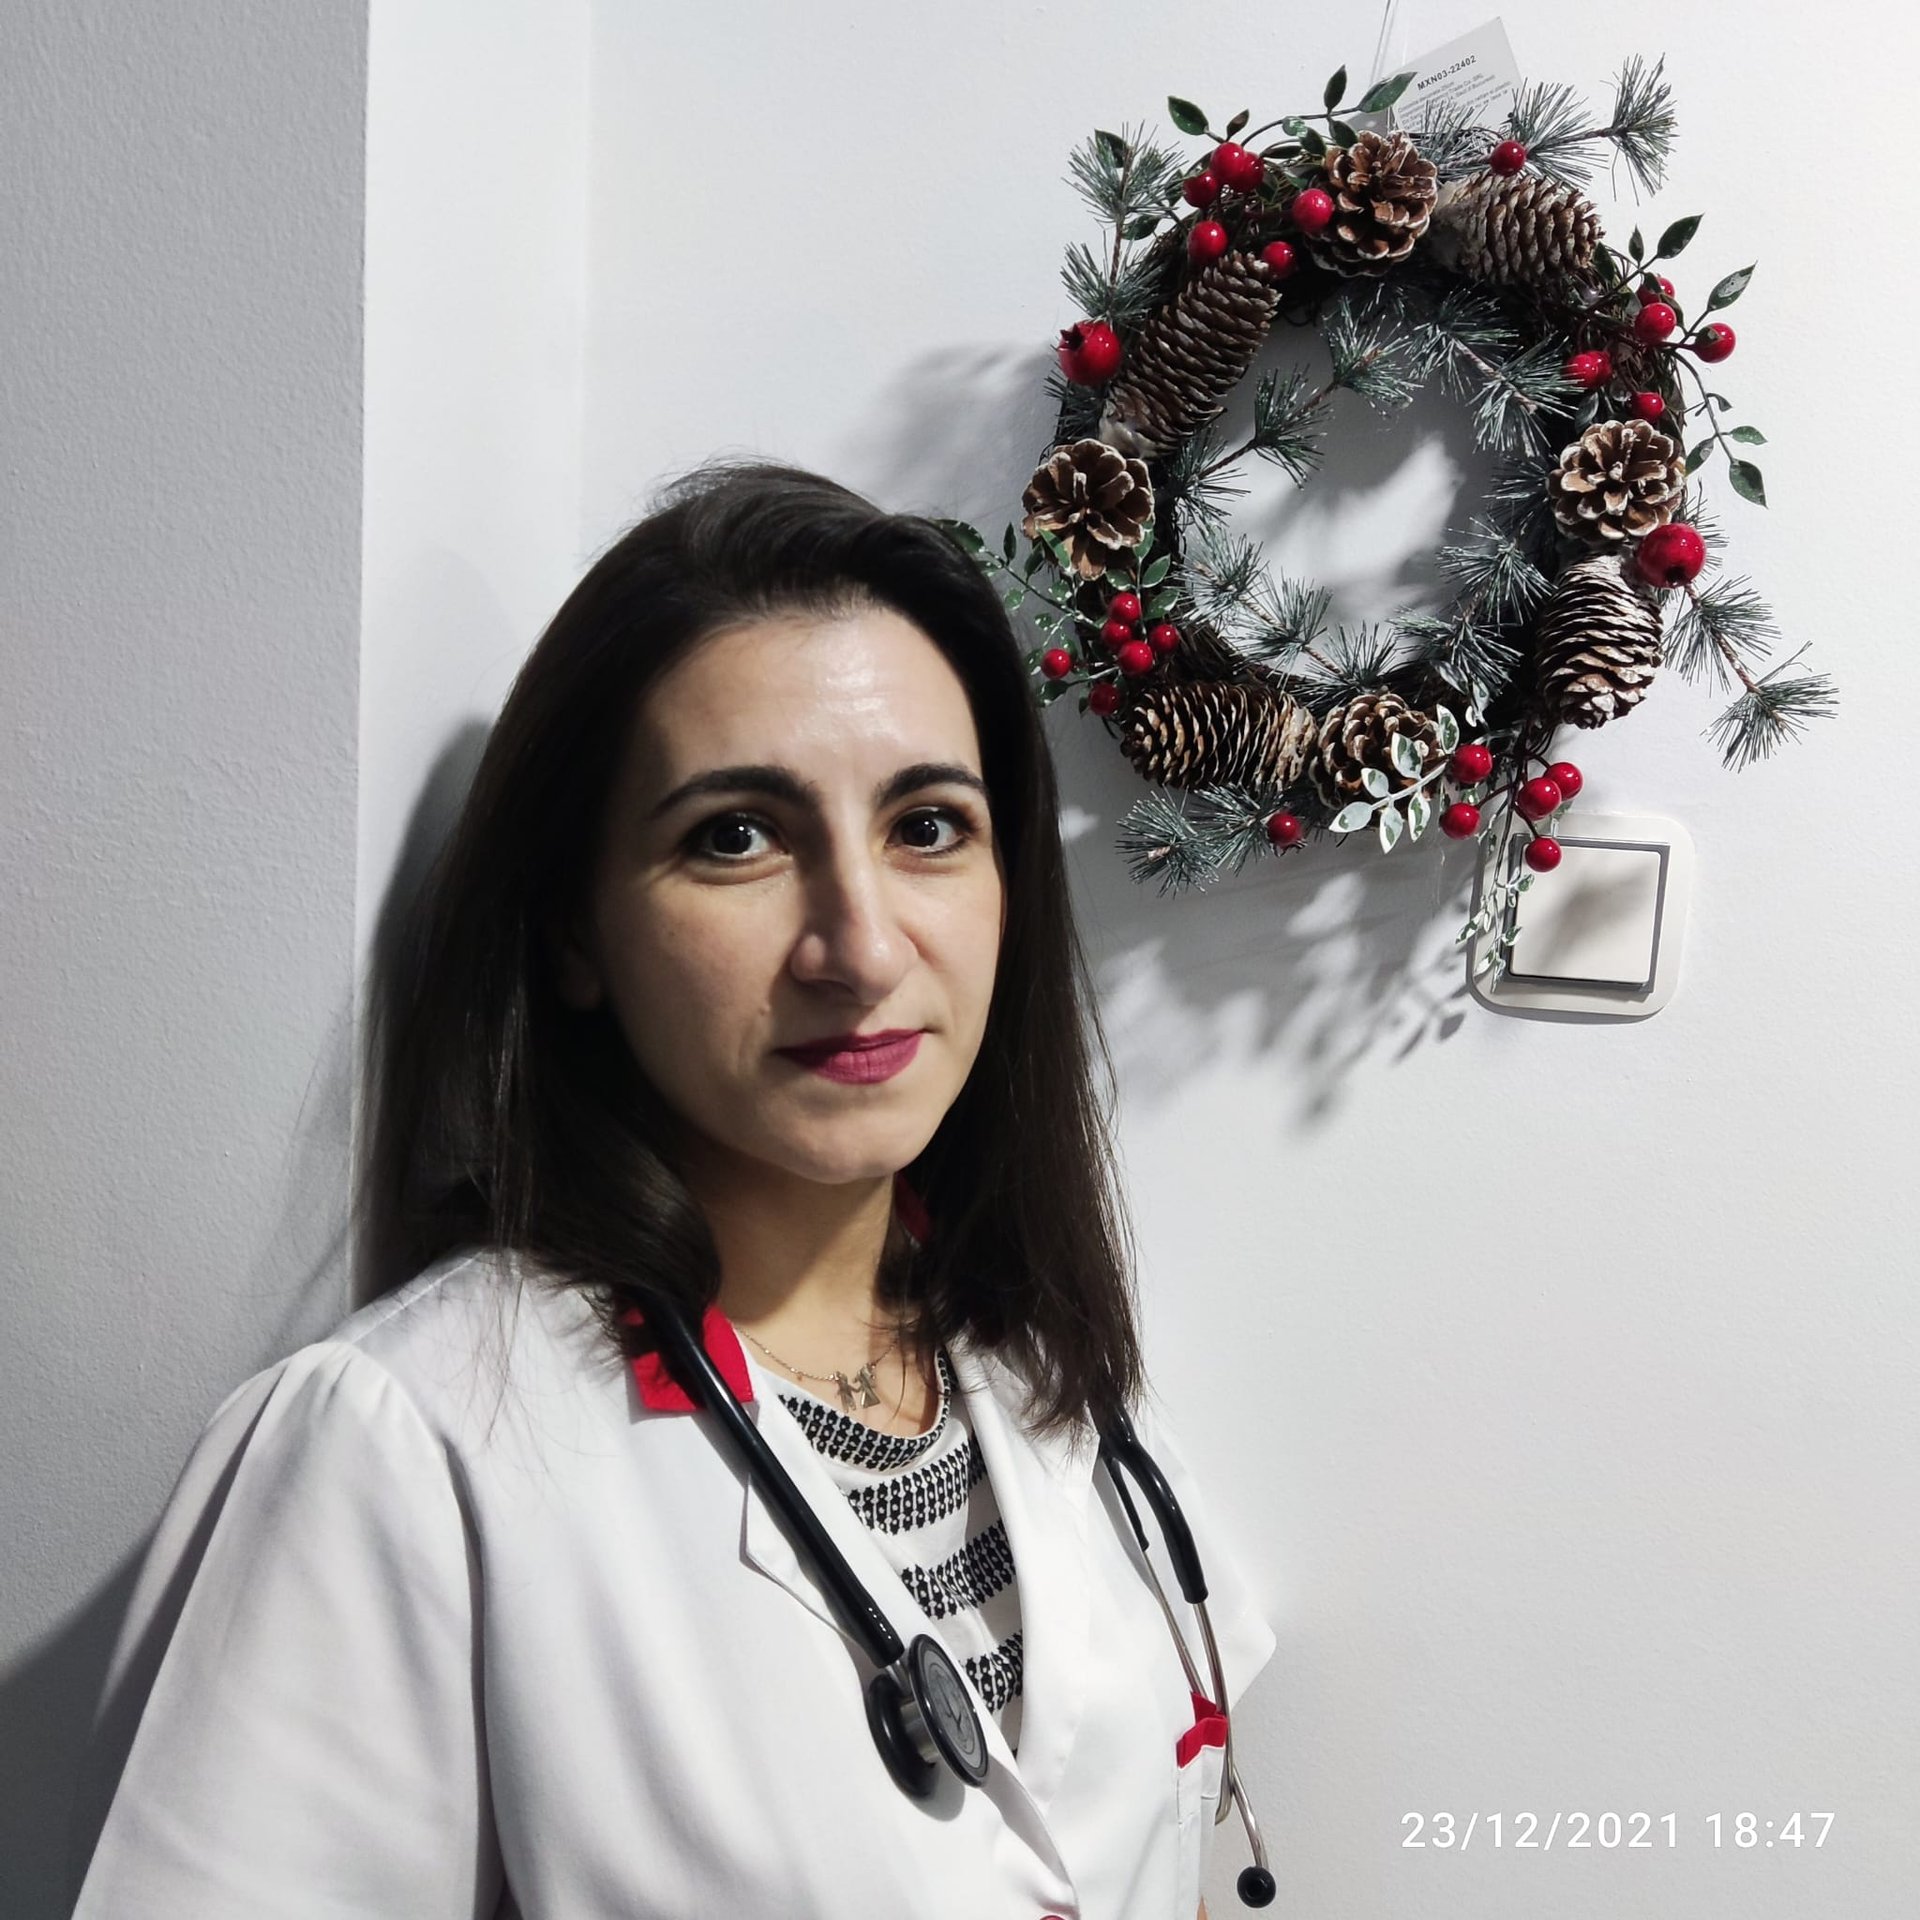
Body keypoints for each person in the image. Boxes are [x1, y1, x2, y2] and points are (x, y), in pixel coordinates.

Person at [69, 459, 1277, 1919]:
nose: (861, 946)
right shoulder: (409, 1445)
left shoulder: (1050, 1367)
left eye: (927, 826)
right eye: (736, 837)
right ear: (575, 931)